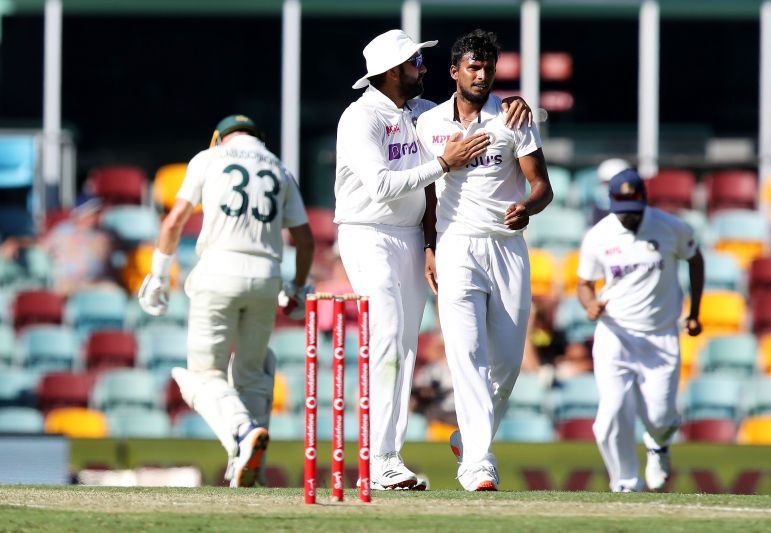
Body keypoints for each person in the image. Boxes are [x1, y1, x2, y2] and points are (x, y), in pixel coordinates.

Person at [335, 28, 532, 491]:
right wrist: (445, 163)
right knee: (385, 340)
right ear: (389, 73)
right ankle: (380, 457)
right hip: (367, 233)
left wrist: (517, 103)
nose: (422, 69)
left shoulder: (421, 113)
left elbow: (468, 111)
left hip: (412, 236)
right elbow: (382, 185)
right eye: (414, 64)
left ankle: (389, 456)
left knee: (404, 346)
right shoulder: (358, 118)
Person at [138, 114, 314, 488]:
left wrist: (157, 274)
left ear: (220, 138)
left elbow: (173, 223)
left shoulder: (209, 157)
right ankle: (247, 467)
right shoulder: (280, 168)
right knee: (251, 374)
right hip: (267, 275)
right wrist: (298, 286)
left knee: (202, 376)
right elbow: (305, 238)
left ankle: (242, 432)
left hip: (218, 270)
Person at [416, 29, 553, 491]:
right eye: (472, 67)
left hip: (507, 247)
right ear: (453, 71)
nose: (481, 75)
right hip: (457, 245)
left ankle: (469, 440)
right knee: (465, 355)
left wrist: (527, 209)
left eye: (488, 68)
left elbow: (542, 187)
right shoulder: (429, 123)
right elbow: (427, 197)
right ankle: (478, 463)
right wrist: (430, 246)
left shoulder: (512, 117)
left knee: (508, 367)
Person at [576, 168, 704, 493]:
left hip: (660, 337)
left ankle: (658, 446)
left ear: (644, 203)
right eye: (622, 214)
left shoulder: (670, 227)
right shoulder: (599, 235)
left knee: (661, 419)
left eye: (633, 214)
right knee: (609, 417)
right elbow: (584, 284)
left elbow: (695, 258)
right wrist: (590, 305)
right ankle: (625, 483)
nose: (628, 220)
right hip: (615, 335)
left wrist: (695, 312)